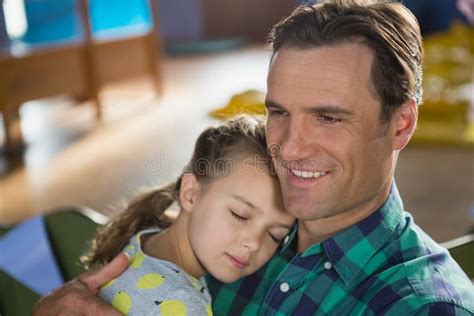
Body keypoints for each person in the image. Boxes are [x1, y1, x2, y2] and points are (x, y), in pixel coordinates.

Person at [34, 0, 474, 315]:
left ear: (401, 124)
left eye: (328, 117)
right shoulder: (220, 231)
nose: (290, 147)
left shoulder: (424, 306)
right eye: (278, 112)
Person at [80, 116, 294, 315]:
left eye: (275, 235)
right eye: (240, 215)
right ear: (190, 193)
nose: (254, 244)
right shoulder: (184, 305)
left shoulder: (142, 238)